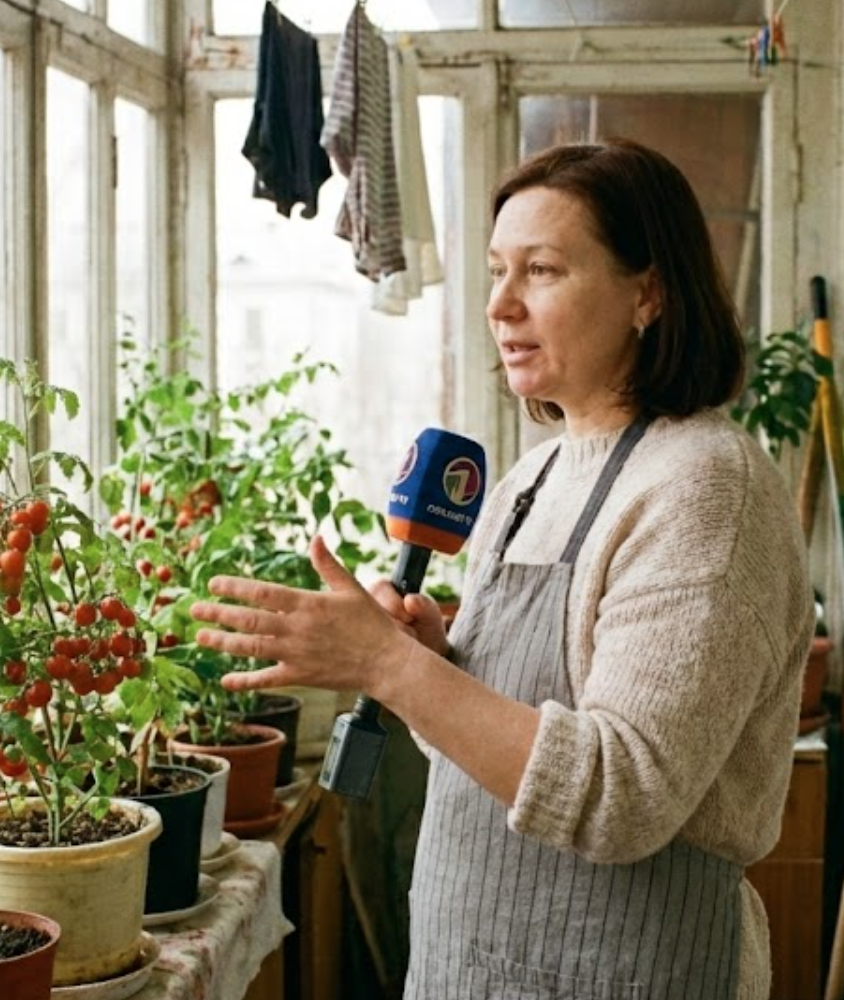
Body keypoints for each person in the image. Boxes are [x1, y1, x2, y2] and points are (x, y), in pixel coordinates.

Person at [191, 137, 812, 1000]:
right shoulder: (533, 478)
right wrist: (435, 663)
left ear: (648, 293)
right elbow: (495, 747)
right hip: (471, 966)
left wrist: (390, 666)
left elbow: (621, 794)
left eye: (542, 270)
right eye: (495, 271)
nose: (500, 304)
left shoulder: (704, 487)